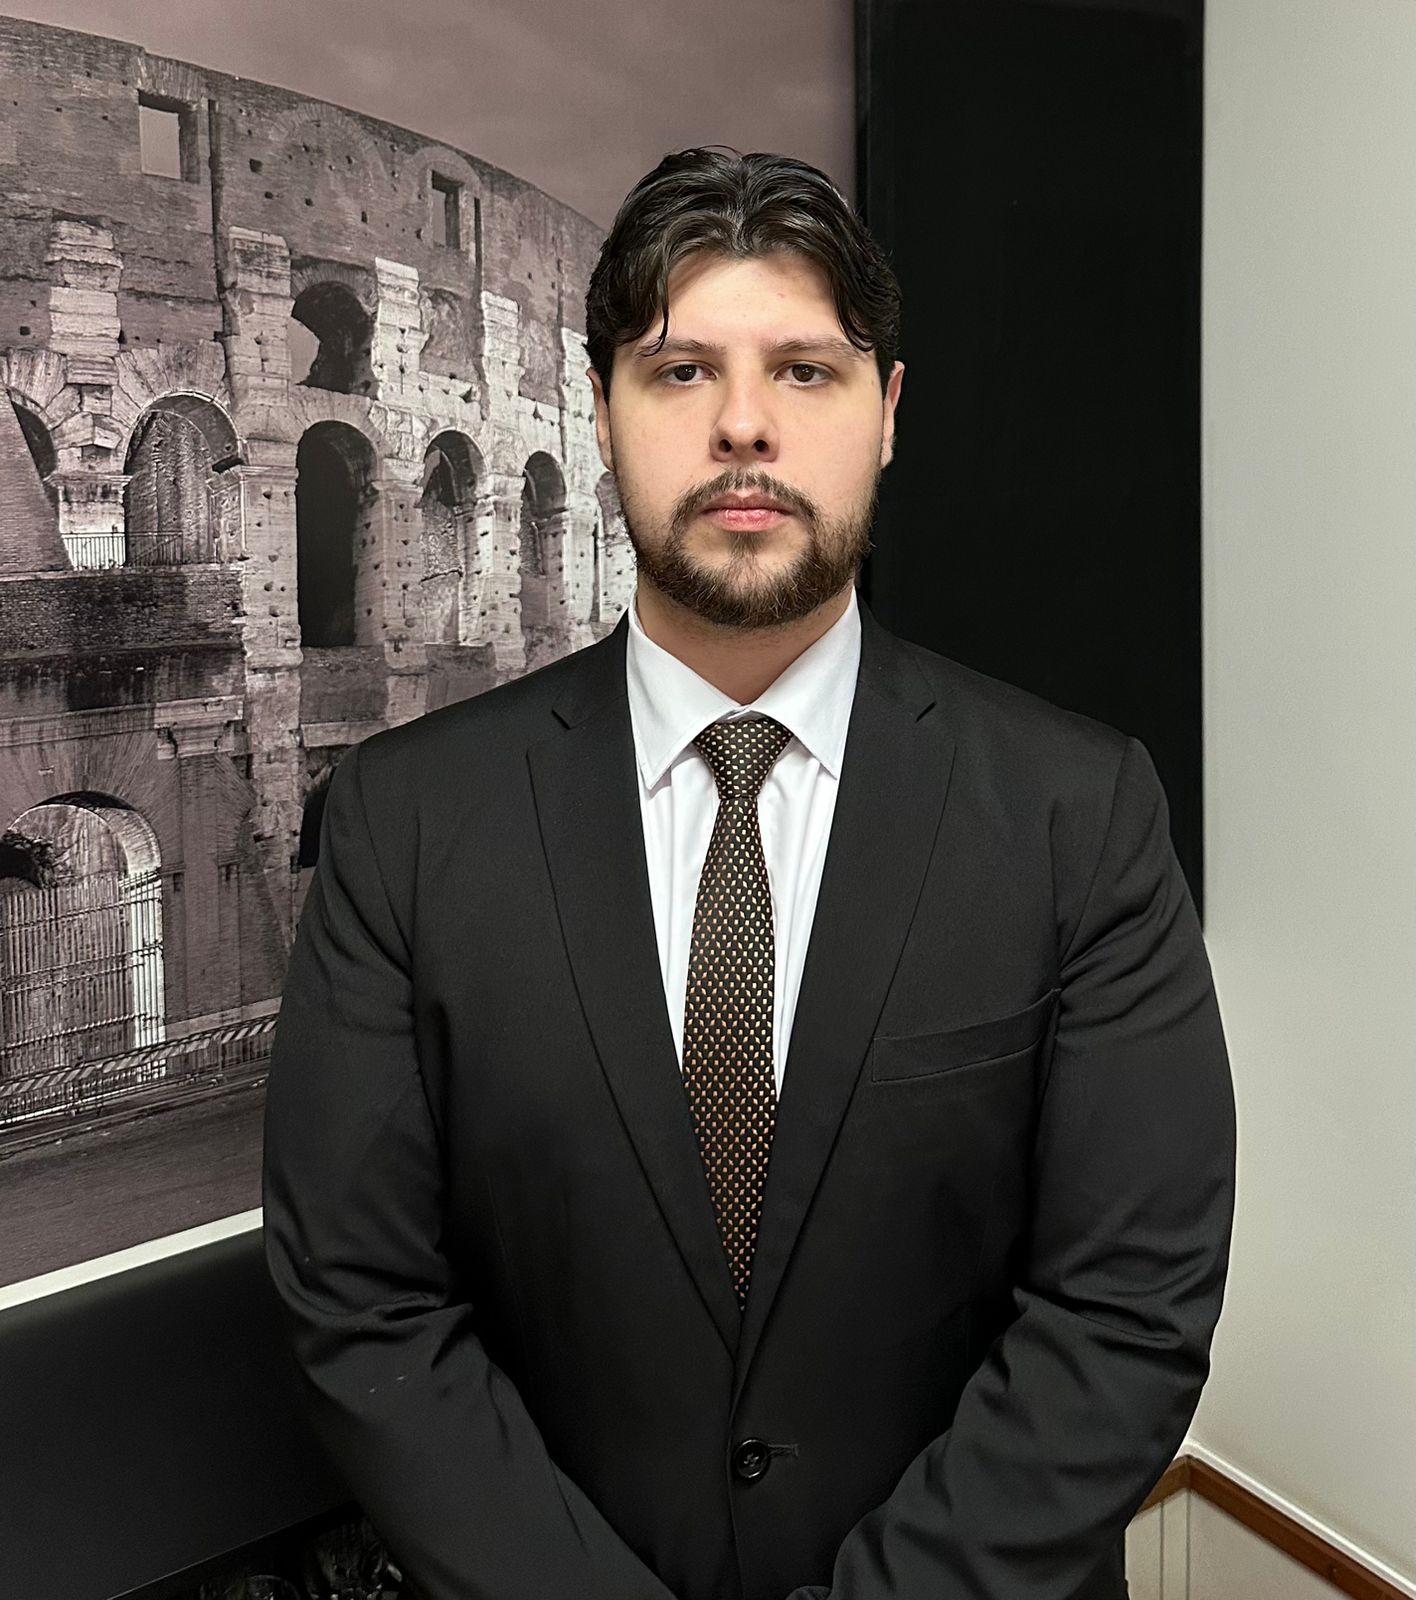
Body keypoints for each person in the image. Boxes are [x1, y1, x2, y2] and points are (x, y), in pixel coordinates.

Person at [261, 146, 1236, 1600]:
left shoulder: (1078, 811)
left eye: (804, 371)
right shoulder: (405, 822)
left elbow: (1126, 1307)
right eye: (680, 372)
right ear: (601, 412)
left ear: (887, 413)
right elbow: (363, 1304)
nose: (742, 425)